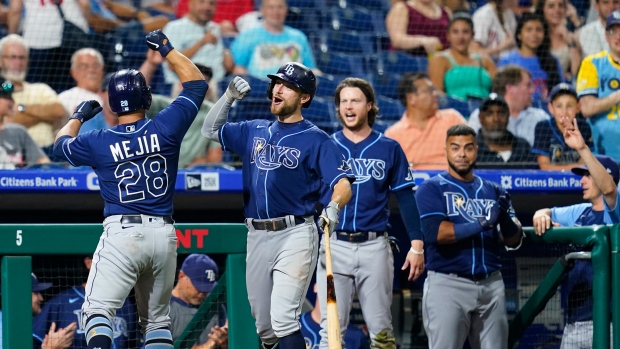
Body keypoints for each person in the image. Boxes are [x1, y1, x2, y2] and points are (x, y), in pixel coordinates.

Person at [51, 29, 207, 349]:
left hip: (123, 233)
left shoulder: (99, 140)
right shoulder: (166, 125)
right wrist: (166, 48)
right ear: (146, 98)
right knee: (157, 322)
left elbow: (59, 145)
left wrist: (79, 116)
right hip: (163, 236)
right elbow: (196, 83)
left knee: (97, 312)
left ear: (112, 103)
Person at [200, 62, 355, 349]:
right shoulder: (254, 129)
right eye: (276, 83)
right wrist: (229, 97)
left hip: (295, 232)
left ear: (304, 97)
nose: (277, 89)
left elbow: (343, 184)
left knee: (284, 318)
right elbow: (210, 130)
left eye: (287, 86)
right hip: (257, 234)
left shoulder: (316, 139)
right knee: (265, 326)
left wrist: (334, 207)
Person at [316, 77, 423, 349]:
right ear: (338, 109)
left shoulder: (389, 147)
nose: (349, 107)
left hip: (374, 246)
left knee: (381, 332)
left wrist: (417, 245)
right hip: (333, 246)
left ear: (370, 106)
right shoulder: (325, 145)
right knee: (330, 332)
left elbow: (407, 197)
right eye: (344, 102)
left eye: (356, 100)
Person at [415, 124, 524, 349]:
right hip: (448, 284)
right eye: (455, 148)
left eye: (468, 148)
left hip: (491, 284)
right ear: (445, 150)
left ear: (476, 150)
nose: (462, 154)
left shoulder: (494, 190)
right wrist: (482, 223)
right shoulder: (431, 188)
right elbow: (435, 233)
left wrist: (503, 219)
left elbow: (514, 240)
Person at [532, 118, 619, 349]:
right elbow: (546, 211)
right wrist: (541, 215)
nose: (582, 180)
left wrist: (582, 148)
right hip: (573, 323)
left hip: (607, 323)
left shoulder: (616, 211)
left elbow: (610, 189)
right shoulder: (580, 212)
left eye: (588, 174)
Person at [33, 256, 138, 349]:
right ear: (89, 263)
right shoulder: (60, 303)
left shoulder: (126, 305)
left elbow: (136, 344)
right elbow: (34, 343)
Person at [384, 72, 466, 170]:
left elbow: (469, 150)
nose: (436, 94)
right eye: (429, 91)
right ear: (411, 98)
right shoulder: (393, 134)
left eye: (434, 90)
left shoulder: (452, 118)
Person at [0, 34, 67, 149]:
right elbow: (8, 124)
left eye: (22, 58)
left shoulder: (41, 88)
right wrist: (43, 116)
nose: (18, 63)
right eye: (12, 57)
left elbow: (59, 111)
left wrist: (22, 108)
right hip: (11, 153)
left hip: (48, 152)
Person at [7, 0, 90, 92]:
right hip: (71, 38)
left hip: (38, 38)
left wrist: (12, 36)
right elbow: (84, 4)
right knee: (66, 90)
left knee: (36, 90)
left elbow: (15, 10)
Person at [230, 0, 318, 78]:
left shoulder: (299, 37)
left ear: (286, 10)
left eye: (280, 7)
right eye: (270, 7)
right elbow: (238, 68)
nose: (275, 12)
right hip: (258, 92)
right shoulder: (248, 36)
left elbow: (311, 69)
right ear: (262, 10)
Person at [468, 65, 550, 147]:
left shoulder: (540, 117)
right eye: (528, 85)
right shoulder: (481, 115)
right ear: (510, 88)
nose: (532, 91)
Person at [577, 10, 620, 162]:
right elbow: (586, 108)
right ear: (606, 37)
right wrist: (617, 96)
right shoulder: (592, 64)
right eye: (613, 31)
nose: (618, 36)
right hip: (602, 156)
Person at [162, 0, 233, 88]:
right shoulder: (174, 27)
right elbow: (172, 65)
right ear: (191, 5)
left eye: (211, 3)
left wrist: (226, 49)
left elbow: (229, 66)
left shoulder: (216, 28)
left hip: (216, 86)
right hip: (184, 85)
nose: (207, 7)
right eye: (201, 2)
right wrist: (201, 43)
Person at [428, 11, 496, 101]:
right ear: (448, 36)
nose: (460, 37)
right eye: (455, 32)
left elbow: (498, 92)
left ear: (472, 35)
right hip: (455, 111)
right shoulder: (440, 60)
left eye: (465, 32)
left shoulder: (485, 60)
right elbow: (437, 94)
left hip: (486, 111)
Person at [498, 13, 564, 100]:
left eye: (539, 30)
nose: (534, 34)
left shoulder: (552, 61)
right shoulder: (507, 61)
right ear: (519, 35)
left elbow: (560, 92)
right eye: (529, 30)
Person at [3, 273, 78, 349]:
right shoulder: (3, 327)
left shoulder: (21, 323)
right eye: (36, 293)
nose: (41, 298)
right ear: (21, 295)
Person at [170, 254, 228, 349]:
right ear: (181, 276)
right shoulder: (162, 309)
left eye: (207, 288)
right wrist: (206, 346)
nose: (203, 293)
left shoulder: (214, 304)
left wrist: (225, 343)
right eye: (199, 286)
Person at [532, 83, 593, 170]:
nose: (564, 111)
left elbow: (585, 164)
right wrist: (574, 168)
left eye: (569, 106)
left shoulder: (584, 128)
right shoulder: (543, 127)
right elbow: (545, 167)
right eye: (559, 106)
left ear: (578, 107)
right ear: (550, 108)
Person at [475, 92, 537, 169]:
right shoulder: (472, 148)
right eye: (489, 113)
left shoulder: (523, 147)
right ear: (481, 118)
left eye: (501, 113)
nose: (496, 119)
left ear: (508, 116)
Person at [0, 78, 49, 168]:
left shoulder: (18, 132)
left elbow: (43, 163)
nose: (13, 101)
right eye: (7, 97)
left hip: (18, 181)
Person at [300, 283, 368, 349]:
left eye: (340, 287)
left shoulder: (356, 337)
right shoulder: (294, 326)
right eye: (329, 284)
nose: (333, 292)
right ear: (316, 286)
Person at [58, 48, 107, 135]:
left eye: (95, 66)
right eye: (84, 66)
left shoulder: (113, 94)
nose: (91, 70)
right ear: (73, 72)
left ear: (102, 69)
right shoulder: (65, 98)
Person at [535, 0, 583, 81]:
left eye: (560, 5)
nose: (557, 10)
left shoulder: (570, 37)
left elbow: (575, 71)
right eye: (551, 6)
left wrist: (569, 40)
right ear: (542, 9)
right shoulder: (535, 35)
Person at [385, 0, 449, 56]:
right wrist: (423, 41)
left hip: (443, 62)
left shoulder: (446, 12)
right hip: (409, 61)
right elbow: (397, 40)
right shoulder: (401, 8)